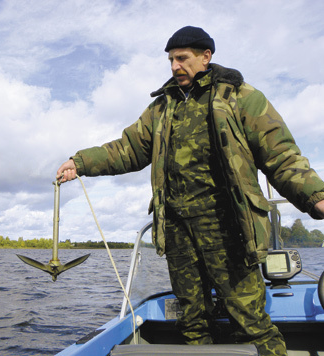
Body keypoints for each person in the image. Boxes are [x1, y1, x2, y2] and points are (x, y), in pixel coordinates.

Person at [56, 26, 324, 356]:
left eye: (182, 59)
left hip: (229, 228)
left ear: (205, 57)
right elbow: (127, 149)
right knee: (193, 321)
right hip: (178, 231)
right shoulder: (161, 108)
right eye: (170, 60)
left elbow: (281, 154)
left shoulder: (240, 97)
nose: (174, 66)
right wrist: (79, 162)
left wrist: (315, 195)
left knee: (250, 321)